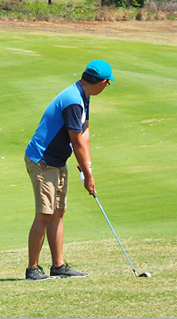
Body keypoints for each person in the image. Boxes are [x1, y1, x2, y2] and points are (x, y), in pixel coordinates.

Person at [23, 59, 114, 280]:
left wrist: (87, 168)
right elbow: (76, 142)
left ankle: (58, 266)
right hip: (43, 160)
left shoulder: (83, 96)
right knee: (44, 214)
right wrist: (88, 176)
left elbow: (84, 133)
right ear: (102, 82)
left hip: (58, 160)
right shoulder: (74, 101)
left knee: (57, 212)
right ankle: (32, 268)